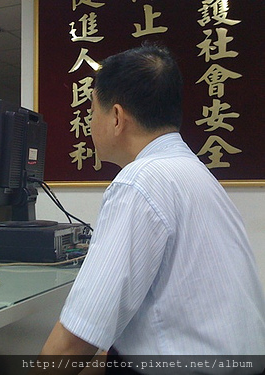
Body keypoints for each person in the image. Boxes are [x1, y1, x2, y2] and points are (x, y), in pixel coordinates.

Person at [37, 44, 265, 372]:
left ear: (116, 118)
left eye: (92, 113)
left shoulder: (139, 182)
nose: (90, 125)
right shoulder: (194, 173)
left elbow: (77, 337)